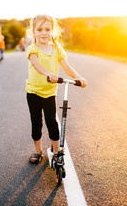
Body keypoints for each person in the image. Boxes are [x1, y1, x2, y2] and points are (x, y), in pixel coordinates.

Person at [25, 14, 87, 165]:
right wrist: (48, 74)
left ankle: (56, 152)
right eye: (39, 29)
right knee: (36, 123)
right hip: (33, 92)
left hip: (49, 93)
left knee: (52, 121)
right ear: (34, 32)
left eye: (47, 29)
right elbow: (36, 64)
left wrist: (79, 77)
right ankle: (38, 151)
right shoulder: (33, 49)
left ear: (52, 31)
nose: (44, 32)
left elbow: (66, 67)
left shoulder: (56, 49)